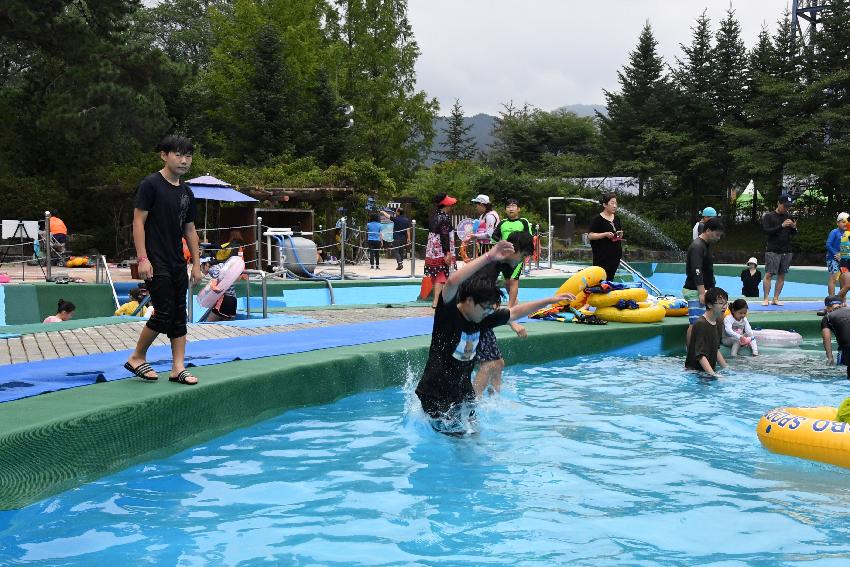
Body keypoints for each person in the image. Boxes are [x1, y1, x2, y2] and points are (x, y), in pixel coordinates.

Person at [414, 239, 574, 433]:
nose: (488, 312)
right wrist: (489, 256)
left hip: (461, 391)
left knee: (474, 434)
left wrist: (549, 300)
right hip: (435, 392)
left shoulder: (483, 317)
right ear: (469, 301)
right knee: (457, 439)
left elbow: (514, 313)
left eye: (491, 309)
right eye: (485, 307)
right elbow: (452, 282)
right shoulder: (448, 315)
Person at [124, 135, 202, 385]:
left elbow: (189, 230)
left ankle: (178, 368)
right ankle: (137, 357)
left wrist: (197, 265)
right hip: (155, 260)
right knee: (164, 311)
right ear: (164, 155)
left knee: (179, 314)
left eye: (188, 155)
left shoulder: (187, 192)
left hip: (177, 260)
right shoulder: (151, 184)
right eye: (178, 154)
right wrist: (142, 258)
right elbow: (138, 222)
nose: (184, 160)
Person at [472, 230, 536, 397]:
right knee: (489, 364)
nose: (523, 260)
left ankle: (495, 400)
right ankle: (472, 405)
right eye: (523, 255)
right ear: (513, 250)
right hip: (473, 320)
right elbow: (481, 302)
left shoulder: (500, 264)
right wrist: (512, 322)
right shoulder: (491, 266)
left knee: (498, 363)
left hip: (481, 317)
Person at [491, 198, 533, 335]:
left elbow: (529, 237)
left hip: (517, 258)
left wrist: (526, 254)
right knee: (507, 283)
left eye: (514, 206)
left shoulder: (523, 222)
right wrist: (502, 243)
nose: (511, 208)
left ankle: (509, 309)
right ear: (505, 209)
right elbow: (494, 236)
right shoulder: (502, 223)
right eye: (508, 206)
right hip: (505, 258)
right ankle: (516, 304)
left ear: (518, 209)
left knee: (514, 281)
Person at [683, 217, 724, 343]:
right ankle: (691, 353)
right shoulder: (697, 246)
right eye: (717, 234)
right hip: (695, 290)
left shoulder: (706, 245)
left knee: (719, 317)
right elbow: (697, 270)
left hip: (706, 289)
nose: (718, 238)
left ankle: (712, 347)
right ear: (708, 230)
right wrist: (702, 292)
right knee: (695, 324)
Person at [685, 287, 729, 377]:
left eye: (725, 303)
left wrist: (726, 368)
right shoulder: (701, 324)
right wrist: (713, 375)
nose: (724, 307)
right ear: (709, 305)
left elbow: (715, 349)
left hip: (706, 372)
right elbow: (700, 355)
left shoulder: (716, 322)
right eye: (721, 303)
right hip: (695, 373)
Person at [762, 195, 797, 306]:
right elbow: (767, 231)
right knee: (769, 274)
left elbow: (794, 234)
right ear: (779, 203)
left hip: (786, 250)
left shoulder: (789, 216)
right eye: (785, 206)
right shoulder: (769, 216)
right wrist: (781, 226)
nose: (786, 208)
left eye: (788, 206)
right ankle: (766, 298)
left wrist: (793, 227)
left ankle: (776, 298)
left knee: (782, 275)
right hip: (773, 249)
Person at [424, 193, 457, 308]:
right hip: (441, 249)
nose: (451, 206)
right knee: (441, 274)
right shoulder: (444, 218)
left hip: (433, 249)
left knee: (436, 274)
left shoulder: (434, 216)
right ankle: (437, 301)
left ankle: (438, 300)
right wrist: (447, 252)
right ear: (445, 205)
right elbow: (444, 236)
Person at [587, 192, 623, 281]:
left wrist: (619, 235)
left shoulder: (617, 218)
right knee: (599, 281)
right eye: (612, 203)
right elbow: (590, 236)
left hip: (615, 256)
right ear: (604, 204)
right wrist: (605, 234)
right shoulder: (597, 219)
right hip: (601, 258)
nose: (615, 206)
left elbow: (617, 234)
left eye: (616, 203)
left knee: (610, 280)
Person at [821, 294, 850, 380]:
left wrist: (830, 357)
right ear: (842, 304)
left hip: (847, 348)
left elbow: (826, 338)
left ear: (828, 307)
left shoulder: (827, 318)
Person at [203, 257, 238, 321]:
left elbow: (215, 277)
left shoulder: (213, 269)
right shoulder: (224, 268)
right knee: (225, 328)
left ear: (206, 265)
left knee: (208, 325)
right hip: (233, 300)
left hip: (224, 300)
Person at [825, 213, 848, 296]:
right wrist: (836, 254)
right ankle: (832, 300)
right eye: (843, 222)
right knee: (833, 279)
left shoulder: (848, 233)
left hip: (843, 259)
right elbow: (828, 244)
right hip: (832, 258)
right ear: (837, 223)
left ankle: (842, 299)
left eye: (847, 222)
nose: (845, 223)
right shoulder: (834, 232)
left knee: (843, 279)